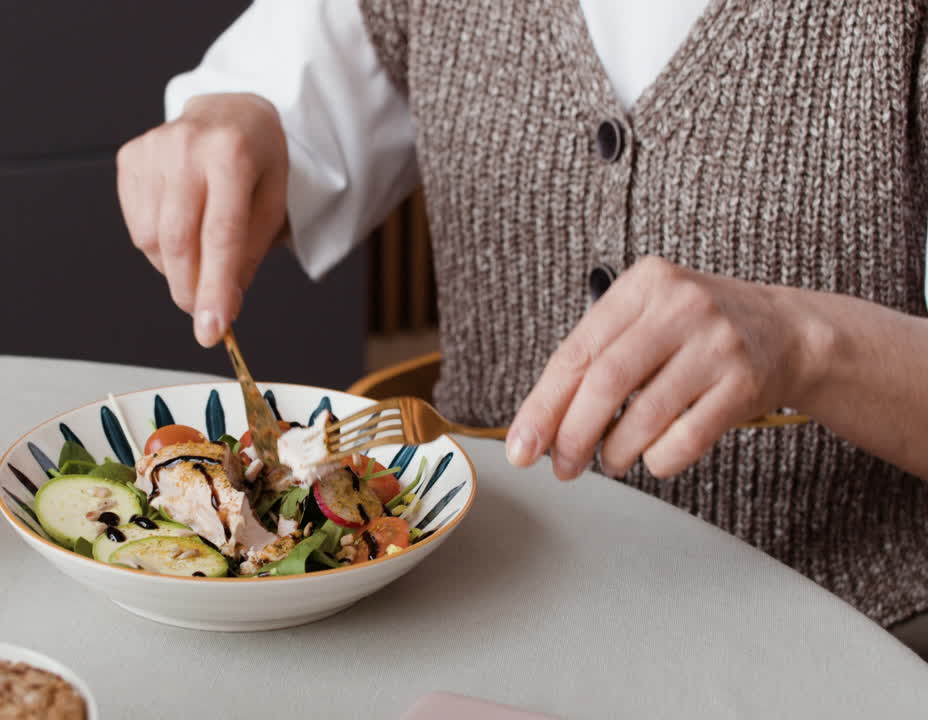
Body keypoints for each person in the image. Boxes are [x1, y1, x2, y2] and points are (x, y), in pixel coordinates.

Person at [115, 0, 928, 653]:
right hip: (483, 619)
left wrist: (808, 342)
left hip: (849, 641)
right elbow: (277, 89)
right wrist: (227, 120)